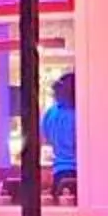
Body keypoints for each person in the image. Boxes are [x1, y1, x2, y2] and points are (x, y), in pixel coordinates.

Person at [38, 72, 79, 200]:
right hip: (78, 171)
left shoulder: (50, 113)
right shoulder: (80, 114)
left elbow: (44, 138)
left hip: (59, 171)